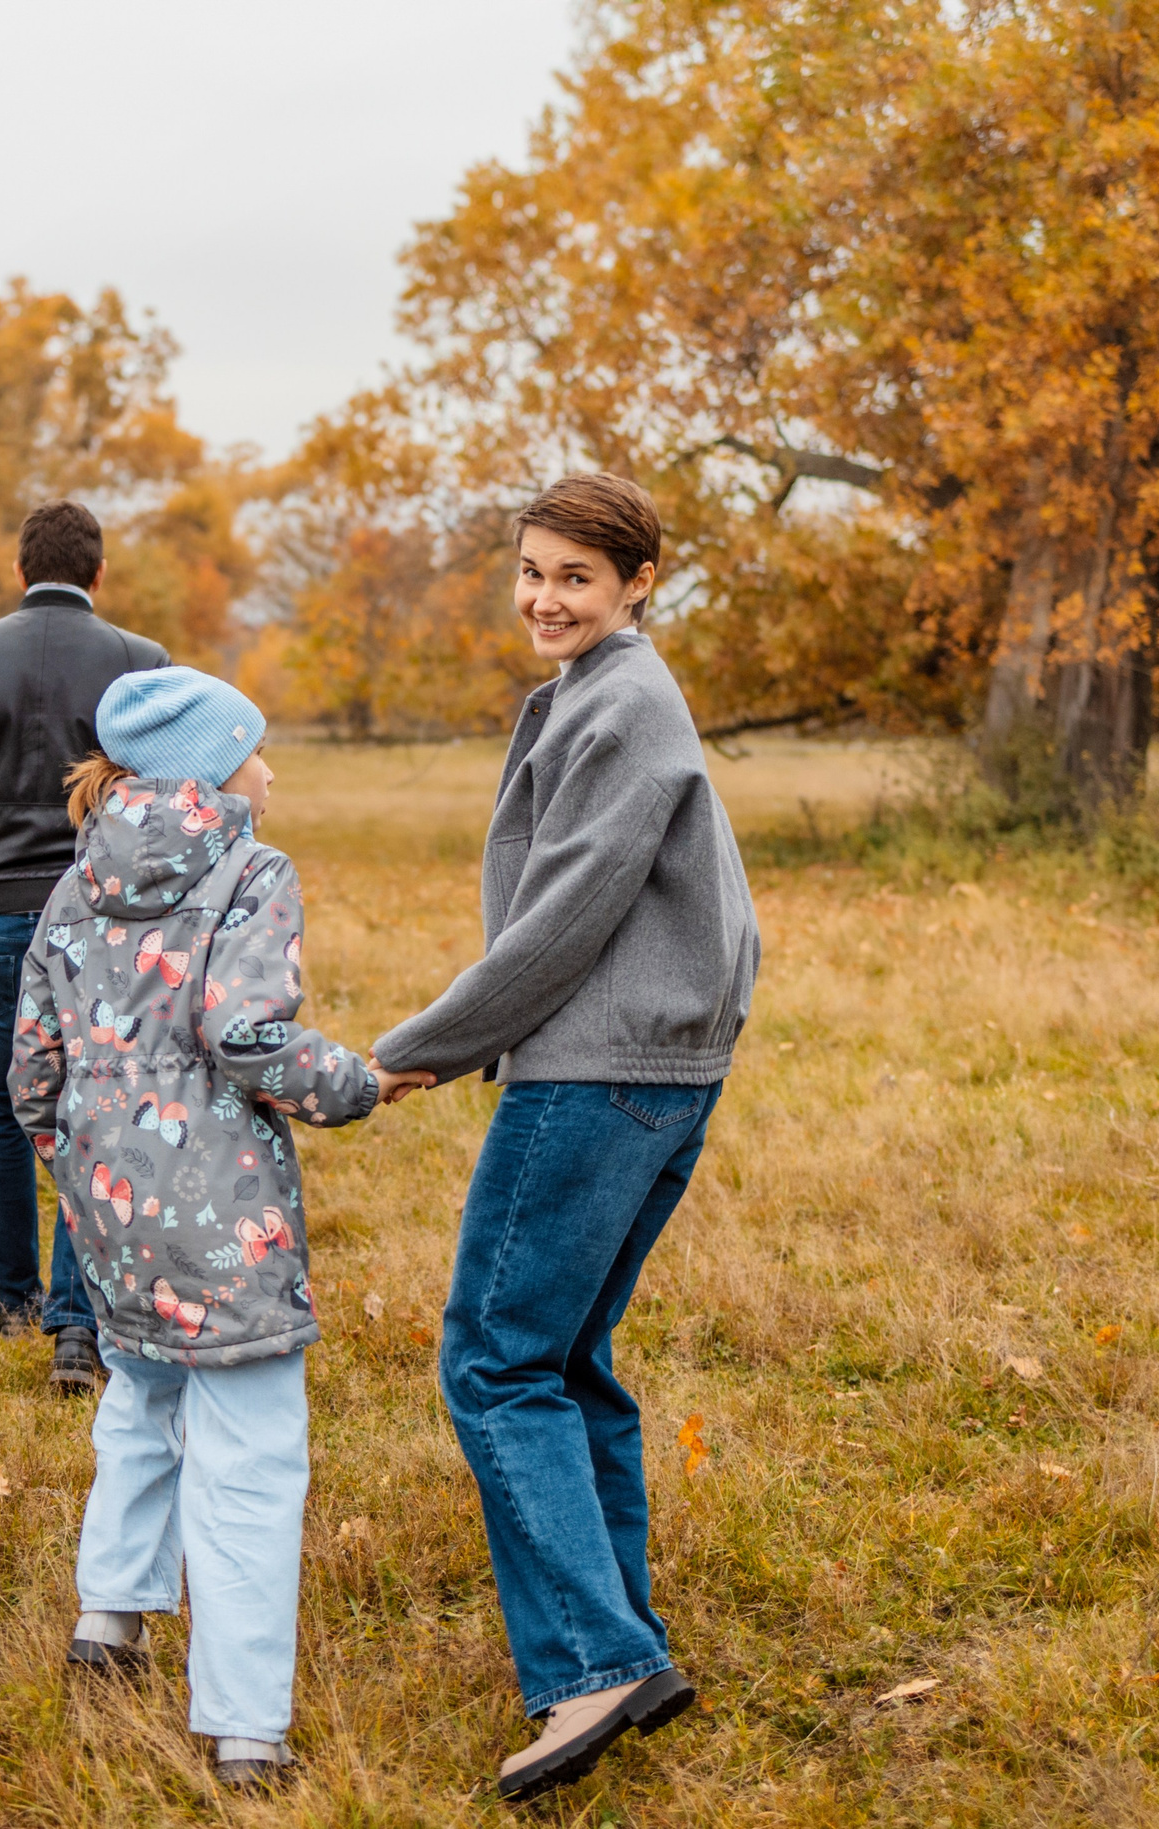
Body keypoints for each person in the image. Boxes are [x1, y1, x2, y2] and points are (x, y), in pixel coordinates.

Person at [366, 474, 760, 1803]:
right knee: (568, 1360)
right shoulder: (606, 692)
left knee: (493, 1360)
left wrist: (425, 1046)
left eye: (575, 577)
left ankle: (594, 1660)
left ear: (638, 581)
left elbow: (568, 915)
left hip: (598, 1077)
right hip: (645, 1067)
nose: (545, 597)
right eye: (532, 571)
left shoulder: (625, 700)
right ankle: (625, 1640)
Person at [9, 667, 381, 1794]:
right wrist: (356, 1082)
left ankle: (108, 1614)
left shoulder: (75, 881)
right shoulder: (250, 869)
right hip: (222, 1211)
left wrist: (75, 1159)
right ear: (211, 768)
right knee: (251, 1450)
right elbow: (245, 1032)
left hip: (107, 1203)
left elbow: (32, 1065)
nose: (271, 769)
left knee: (141, 1387)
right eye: (255, 749)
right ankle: (244, 1724)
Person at [0, 499, 168, 1395]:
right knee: (94, 1103)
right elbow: (173, 787)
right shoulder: (142, 660)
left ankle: (13, 1295)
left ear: (19, 571)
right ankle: (77, 1323)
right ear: (99, 573)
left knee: (2, 1103)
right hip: (101, 916)